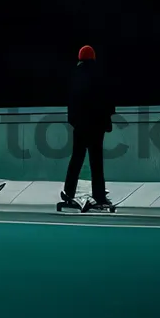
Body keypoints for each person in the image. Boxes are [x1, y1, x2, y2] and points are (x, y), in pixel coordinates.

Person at [61, 45, 116, 210]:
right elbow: (107, 99)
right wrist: (107, 120)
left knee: (76, 158)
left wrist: (74, 121)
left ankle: (69, 191)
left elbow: (72, 101)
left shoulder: (76, 75)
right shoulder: (99, 74)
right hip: (96, 124)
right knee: (96, 161)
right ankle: (99, 194)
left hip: (80, 125)